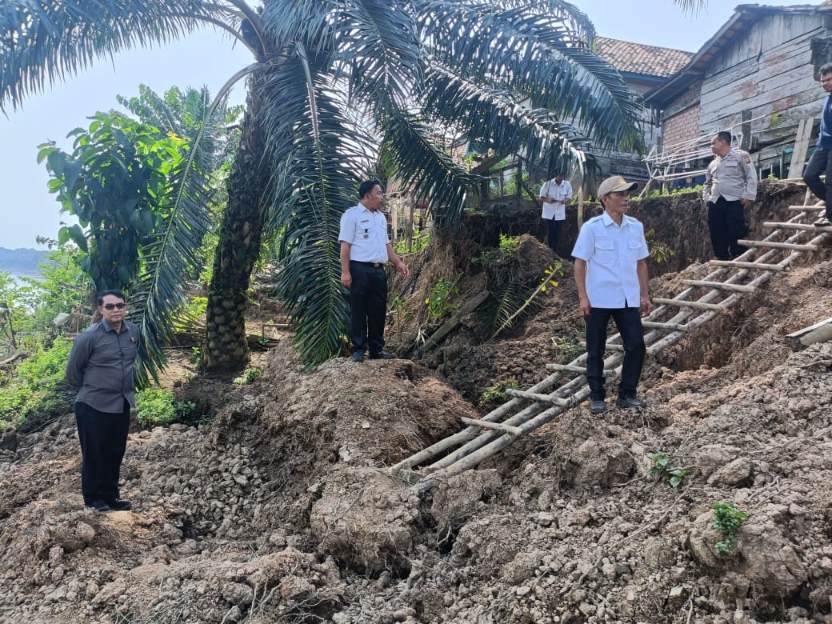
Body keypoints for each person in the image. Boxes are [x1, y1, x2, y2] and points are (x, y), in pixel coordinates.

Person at [572, 176, 652, 414]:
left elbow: (641, 264)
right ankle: (597, 396)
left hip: (627, 298)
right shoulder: (592, 228)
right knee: (596, 349)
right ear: (606, 199)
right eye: (620, 195)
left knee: (636, 345)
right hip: (598, 299)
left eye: (627, 194)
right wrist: (583, 297)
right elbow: (579, 264)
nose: (626, 199)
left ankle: (627, 394)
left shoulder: (635, 226)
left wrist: (645, 295)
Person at [65, 290, 138, 512]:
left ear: (125, 307)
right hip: (92, 405)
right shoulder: (89, 337)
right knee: (95, 453)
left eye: (120, 305)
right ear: (100, 309)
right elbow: (73, 372)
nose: (116, 310)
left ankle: (111, 495)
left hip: (122, 402)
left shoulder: (133, 331)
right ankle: (93, 499)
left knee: (115, 451)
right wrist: (94, 388)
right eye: (110, 306)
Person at [339, 180, 410, 363]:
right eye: (378, 193)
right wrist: (345, 272)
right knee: (358, 309)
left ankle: (376, 349)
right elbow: (345, 246)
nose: (382, 197)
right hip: (359, 269)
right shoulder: (351, 215)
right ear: (367, 195)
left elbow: (386, 245)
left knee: (378, 310)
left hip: (379, 271)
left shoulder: (380, 217)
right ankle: (358, 349)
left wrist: (398, 263)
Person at [703, 131, 758, 260]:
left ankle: (738, 256)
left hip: (734, 201)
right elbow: (707, 183)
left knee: (736, 229)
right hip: (716, 202)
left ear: (722, 142)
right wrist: (706, 198)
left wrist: (749, 195)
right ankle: (721, 257)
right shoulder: (713, 163)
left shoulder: (741, 156)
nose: (711, 146)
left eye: (713, 143)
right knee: (716, 231)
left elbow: (751, 176)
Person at [803, 62, 832, 227]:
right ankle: (830, 202)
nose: (824, 83)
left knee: (831, 180)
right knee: (809, 176)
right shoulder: (827, 98)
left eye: (828, 80)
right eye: (822, 81)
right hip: (824, 144)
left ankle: (830, 217)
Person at [538, 174, 573, 255]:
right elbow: (541, 197)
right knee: (551, 232)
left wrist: (565, 200)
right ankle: (550, 251)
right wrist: (548, 199)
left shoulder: (567, 184)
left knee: (558, 232)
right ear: (556, 176)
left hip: (559, 214)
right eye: (559, 176)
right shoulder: (548, 184)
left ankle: (555, 251)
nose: (561, 178)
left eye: (562, 176)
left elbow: (569, 197)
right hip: (549, 213)